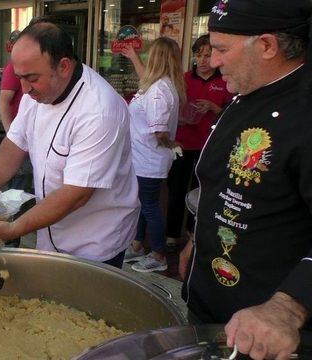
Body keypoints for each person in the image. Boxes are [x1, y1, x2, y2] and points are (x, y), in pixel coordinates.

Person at [181, 1, 312, 358]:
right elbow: (221, 182)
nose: (214, 60)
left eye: (222, 49)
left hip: (264, 332)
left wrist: (287, 308)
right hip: (211, 301)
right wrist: (197, 242)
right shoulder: (244, 95)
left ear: (268, 46)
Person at [0, 21, 139, 268]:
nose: (24, 89)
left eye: (31, 78)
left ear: (64, 66)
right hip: (50, 231)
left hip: (94, 242)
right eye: (19, 77)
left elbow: (76, 195)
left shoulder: (99, 110)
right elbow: (15, 142)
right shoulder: (37, 92)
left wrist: (14, 228)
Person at [122, 37, 185, 273]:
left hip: (148, 160)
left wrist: (171, 143)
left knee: (149, 206)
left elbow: (159, 131)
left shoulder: (158, 90)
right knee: (142, 204)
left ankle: (158, 254)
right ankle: (137, 245)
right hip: (144, 159)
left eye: (150, 55)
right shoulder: (161, 84)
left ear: (156, 58)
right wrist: (133, 57)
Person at [165, 34, 233, 249]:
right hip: (182, 144)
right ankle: (172, 235)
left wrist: (214, 109)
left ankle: (193, 236)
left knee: (201, 192)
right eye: (199, 55)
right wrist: (180, 117)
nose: (203, 60)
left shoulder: (225, 80)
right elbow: (168, 108)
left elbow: (233, 115)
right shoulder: (183, 78)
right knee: (176, 191)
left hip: (209, 146)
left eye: (207, 55)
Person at [0, 30, 33, 194]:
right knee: (18, 187)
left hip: (33, 136)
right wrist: (11, 134)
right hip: (20, 135)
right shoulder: (14, 67)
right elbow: (3, 102)